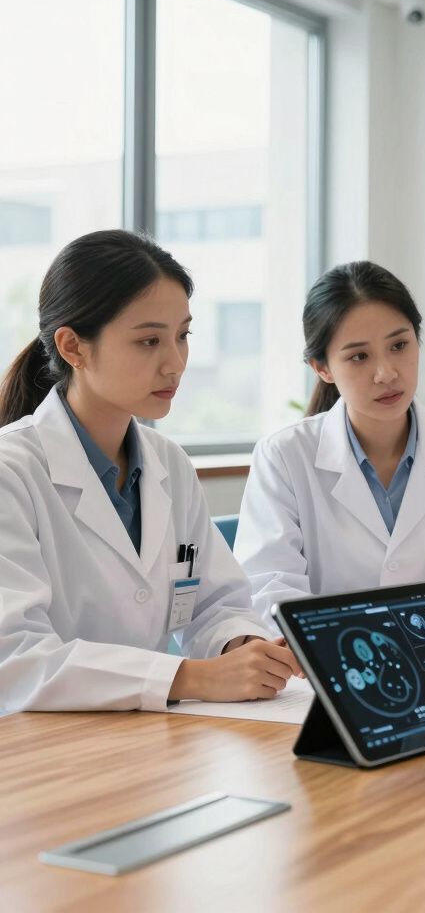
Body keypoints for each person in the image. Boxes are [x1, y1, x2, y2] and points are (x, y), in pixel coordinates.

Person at [0, 230, 301, 714]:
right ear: (74, 347)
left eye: (183, 336)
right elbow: (16, 659)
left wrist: (242, 646)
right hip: (43, 743)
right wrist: (190, 676)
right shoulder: (12, 471)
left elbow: (215, 603)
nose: (175, 364)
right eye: (148, 341)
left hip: (149, 733)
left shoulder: (169, 464)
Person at [236, 261, 425, 629]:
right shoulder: (283, 456)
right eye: (359, 356)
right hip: (334, 656)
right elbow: (268, 589)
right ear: (322, 368)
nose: (387, 373)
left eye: (399, 345)